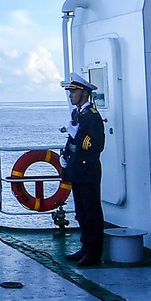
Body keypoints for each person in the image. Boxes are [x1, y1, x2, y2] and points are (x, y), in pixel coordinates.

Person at [61, 74, 106, 267]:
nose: (70, 95)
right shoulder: (79, 114)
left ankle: (94, 254)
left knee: (91, 211)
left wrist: (76, 136)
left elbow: (96, 144)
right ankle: (85, 247)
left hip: (88, 170)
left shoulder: (92, 116)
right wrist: (65, 153)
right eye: (70, 92)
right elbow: (74, 137)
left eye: (73, 91)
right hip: (78, 168)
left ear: (84, 93)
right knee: (81, 211)